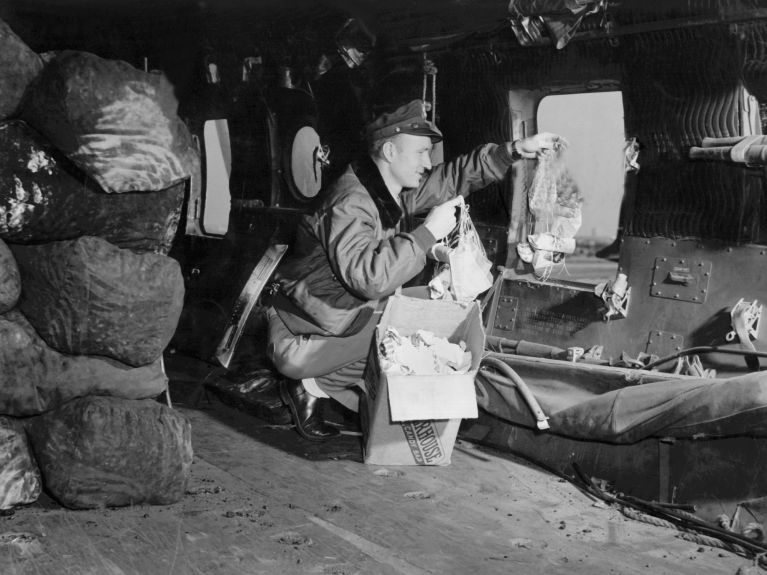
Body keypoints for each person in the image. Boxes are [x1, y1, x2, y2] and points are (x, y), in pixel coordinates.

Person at [266, 99, 565, 440]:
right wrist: (427, 234)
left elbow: (453, 177)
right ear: (391, 152)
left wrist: (514, 150)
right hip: (303, 332)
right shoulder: (351, 203)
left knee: (434, 308)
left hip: (336, 319)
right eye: (421, 152)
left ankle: (317, 387)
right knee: (414, 329)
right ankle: (314, 384)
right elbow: (369, 278)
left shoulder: (388, 189)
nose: (427, 162)